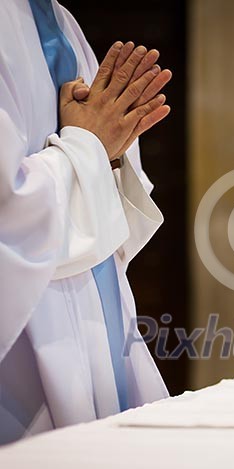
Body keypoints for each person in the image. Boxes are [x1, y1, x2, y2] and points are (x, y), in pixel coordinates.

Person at [0, 0, 173, 445]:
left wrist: (108, 151)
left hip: (94, 309)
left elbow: (101, 191)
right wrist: (87, 148)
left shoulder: (59, 19)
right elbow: (8, 208)